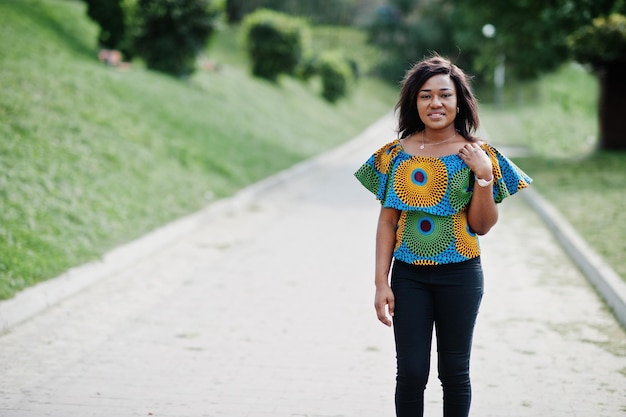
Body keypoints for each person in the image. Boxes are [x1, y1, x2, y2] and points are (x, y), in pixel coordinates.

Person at [354, 55, 532, 417]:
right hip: (409, 276)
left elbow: (482, 226)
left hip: (461, 275)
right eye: (425, 95)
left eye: (444, 95)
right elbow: (387, 222)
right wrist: (380, 283)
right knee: (412, 373)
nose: (435, 103)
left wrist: (484, 176)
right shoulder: (394, 155)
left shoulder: (480, 155)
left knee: (454, 372)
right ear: (413, 102)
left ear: (459, 101)